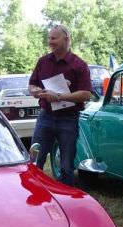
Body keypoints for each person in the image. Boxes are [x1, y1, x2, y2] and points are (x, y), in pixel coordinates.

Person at [28, 24, 92, 186]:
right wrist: (36, 90)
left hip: (68, 119)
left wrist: (58, 96)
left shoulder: (79, 65)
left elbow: (86, 94)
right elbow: (31, 85)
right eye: (49, 38)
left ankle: (65, 202)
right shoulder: (43, 62)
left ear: (67, 39)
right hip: (45, 116)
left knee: (66, 165)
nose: (50, 41)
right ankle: (32, 197)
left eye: (54, 38)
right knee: (34, 161)